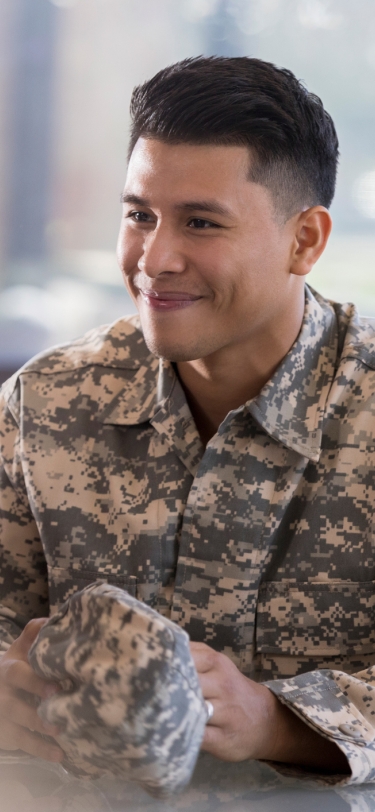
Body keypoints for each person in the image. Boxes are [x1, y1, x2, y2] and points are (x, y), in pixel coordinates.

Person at [0, 55, 374, 784]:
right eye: (139, 214)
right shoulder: (42, 402)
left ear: (305, 241)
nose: (153, 258)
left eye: (201, 223)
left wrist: (277, 721)